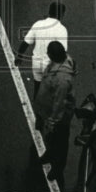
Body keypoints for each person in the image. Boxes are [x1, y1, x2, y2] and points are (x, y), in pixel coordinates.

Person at [34, 40, 77, 184]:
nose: (47, 54)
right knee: (52, 140)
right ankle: (49, 154)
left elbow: (59, 103)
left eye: (49, 52)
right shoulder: (59, 64)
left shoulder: (62, 79)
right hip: (49, 111)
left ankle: (58, 168)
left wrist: (52, 121)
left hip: (59, 117)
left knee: (60, 141)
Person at [14, 2, 68, 100]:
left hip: (36, 64)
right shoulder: (62, 29)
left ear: (49, 12)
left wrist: (19, 56)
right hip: (51, 66)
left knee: (37, 88)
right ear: (61, 15)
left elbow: (26, 42)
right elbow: (62, 52)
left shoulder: (38, 24)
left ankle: (36, 110)